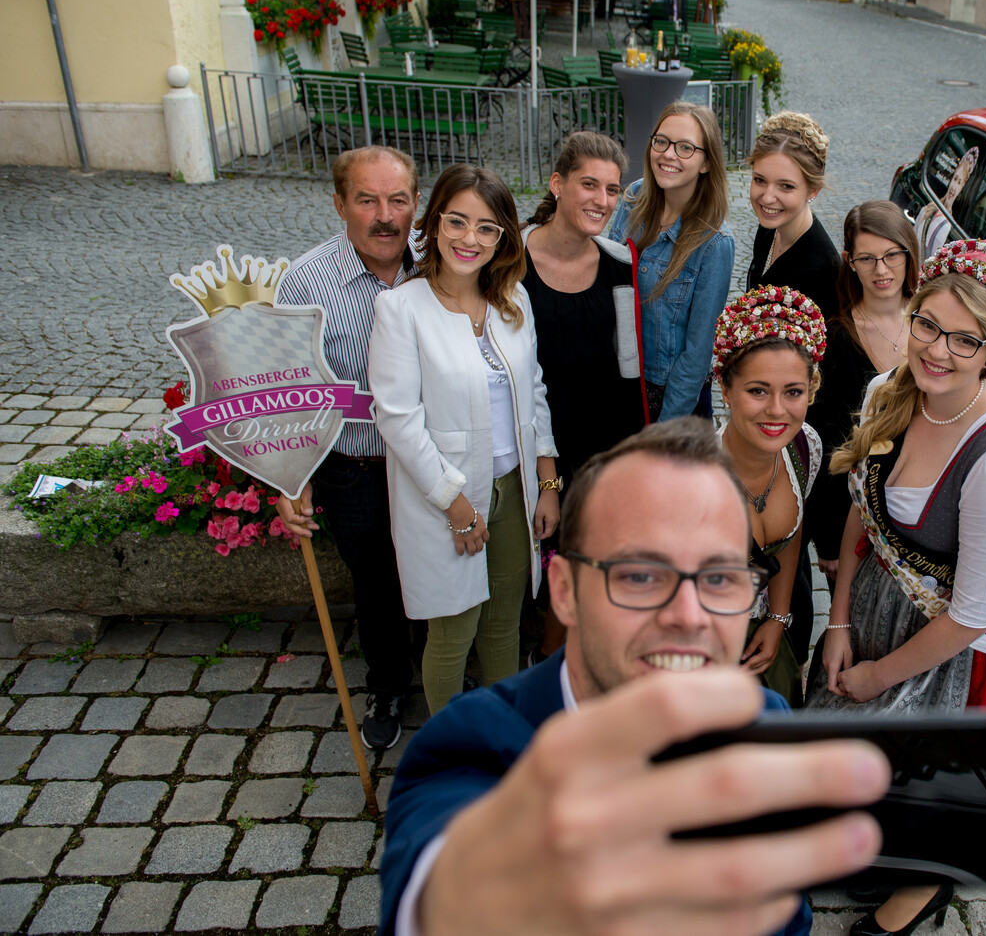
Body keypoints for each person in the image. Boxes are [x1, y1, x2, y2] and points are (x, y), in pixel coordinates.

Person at [378, 418, 892, 936]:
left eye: (720, 577)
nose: (689, 616)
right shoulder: (468, 746)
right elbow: (432, 892)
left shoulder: (765, 726)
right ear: (565, 592)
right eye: (642, 576)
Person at [810, 239, 986, 936]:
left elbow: (968, 619)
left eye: (964, 340)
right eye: (928, 325)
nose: (938, 350)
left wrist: (878, 677)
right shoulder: (889, 389)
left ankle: (926, 885)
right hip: (873, 606)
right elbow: (863, 509)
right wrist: (839, 622)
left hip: (949, 651)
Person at [368, 164, 561, 714]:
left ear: (502, 237)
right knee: (453, 632)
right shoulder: (402, 308)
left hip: (513, 489)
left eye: (486, 227)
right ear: (433, 223)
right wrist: (454, 505)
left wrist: (547, 482)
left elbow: (534, 391)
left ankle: (500, 739)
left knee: (503, 624)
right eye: (457, 221)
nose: (468, 238)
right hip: (444, 498)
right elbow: (398, 419)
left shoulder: (513, 300)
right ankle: (447, 751)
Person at [274, 145, 421, 750]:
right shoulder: (305, 281)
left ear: (417, 203)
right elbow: (286, 387)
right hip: (356, 467)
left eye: (398, 200)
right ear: (339, 205)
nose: (385, 216)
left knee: (441, 571)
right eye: (367, 200)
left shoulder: (444, 262)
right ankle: (388, 683)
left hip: (431, 463)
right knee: (378, 585)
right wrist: (291, 477)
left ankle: (443, 670)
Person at [522, 131, 649, 660]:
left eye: (613, 189)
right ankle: (548, 669)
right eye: (589, 185)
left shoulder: (620, 265)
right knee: (554, 577)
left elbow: (627, 372)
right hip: (541, 452)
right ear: (557, 184)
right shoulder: (510, 266)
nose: (602, 200)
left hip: (605, 455)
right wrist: (548, 481)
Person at [712, 286, 829, 706]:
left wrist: (778, 618)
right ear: (726, 390)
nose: (777, 410)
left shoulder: (805, 447)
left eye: (793, 392)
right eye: (758, 391)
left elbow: (790, 536)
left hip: (768, 639)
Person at [810, 201, 920, 590]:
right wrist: (828, 541)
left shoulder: (934, 325)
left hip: (921, 515)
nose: (882, 269)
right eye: (867, 259)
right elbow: (825, 443)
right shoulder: (836, 338)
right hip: (855, 516)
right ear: (850, 262)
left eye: (892, 255)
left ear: (909, 254)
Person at [607, 102, 735, 421]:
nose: (668, 154)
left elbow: (697, 355)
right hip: (619, 380)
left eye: (685, 148)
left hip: (671, 401)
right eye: (661, 141)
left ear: (706, 162)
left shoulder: (715, 242)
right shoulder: (634, 198)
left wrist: (664, 430)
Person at [745, 111, 843, 319]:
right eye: (760, 180)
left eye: (786, 186)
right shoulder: (769, 229)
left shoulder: (825, 272)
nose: (767, 198)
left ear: (813, 190)